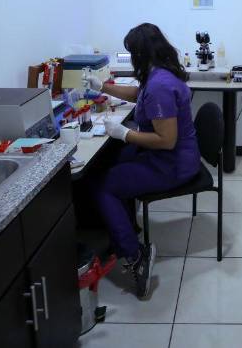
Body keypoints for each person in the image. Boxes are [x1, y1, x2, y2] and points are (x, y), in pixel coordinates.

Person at [84, 23, 200, 298]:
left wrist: (125, 134)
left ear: (141, 54)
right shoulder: (160, 75)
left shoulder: (160, 84)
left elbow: (166, 140)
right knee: (111, 166)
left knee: (103, 185)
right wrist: (104, 87)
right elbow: (139, 95)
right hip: (172, 156)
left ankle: (135, 258)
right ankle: (126, 230)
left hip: (173, 164)